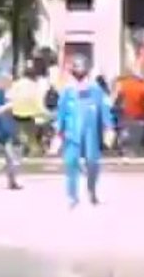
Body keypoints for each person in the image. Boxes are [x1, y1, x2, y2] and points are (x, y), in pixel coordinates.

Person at [54, 55, 114, 208]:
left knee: (92, 162)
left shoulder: (95, 89)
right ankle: (72, 196)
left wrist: (108, 127)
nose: (79, 71)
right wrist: (58, 131)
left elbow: (104, 108)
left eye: (82, 67)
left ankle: (92, 191)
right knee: (71, 162)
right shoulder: (67, 90)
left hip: (91, 131)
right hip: (72, 131)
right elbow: (61, 111)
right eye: (76, 67)